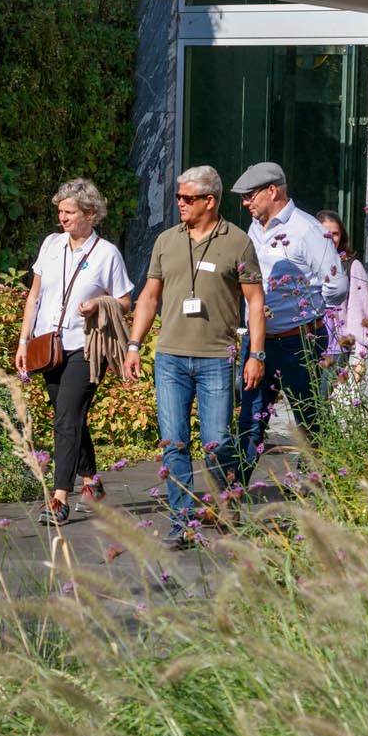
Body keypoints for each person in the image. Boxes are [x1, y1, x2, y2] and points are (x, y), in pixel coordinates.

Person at [125, 166, 266, 549]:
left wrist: (257, 354)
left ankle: (227, 504)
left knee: (217, 442)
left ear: (210, 200)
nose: (181, 204)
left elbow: (255, 303)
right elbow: (149, 297)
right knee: (174, 443)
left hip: (216, 359)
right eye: (178, 198)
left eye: (188, 199)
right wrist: (135, 344)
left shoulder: (237, 242)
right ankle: (182, 522)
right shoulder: (166, 241)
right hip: (170, 357)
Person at [15, 179, 135, 525]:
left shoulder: (106, 254)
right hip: (49, 346)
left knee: (65, 419)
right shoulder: (51, 245)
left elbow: (126, 301)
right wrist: (23, 341)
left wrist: (99, 303)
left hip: (85, 347)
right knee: (71, 419)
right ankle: (92, 484)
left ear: (91, 214)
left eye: (69, 212)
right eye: (60, 211)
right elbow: (34, 296)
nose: (62, 218)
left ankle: (58, 499)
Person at [231, 162, 346, 478]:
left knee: (310, 421)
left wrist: (313, 311)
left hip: (300, 340)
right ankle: (233, 494)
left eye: (250, 195)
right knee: (251, 419)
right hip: (259, 341)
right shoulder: (256, 228)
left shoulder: (307, 229)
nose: (245, 203)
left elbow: (337, 284)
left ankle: (318, 491)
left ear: (272, 191)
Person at [316, 208, 368, 380]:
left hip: (337, 348)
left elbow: (362, 312)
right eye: (325, 233)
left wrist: (360, 355)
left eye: (335, 234)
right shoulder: (304, 265)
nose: (330, 238)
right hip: (306, 345)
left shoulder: (351, 266)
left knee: (327, 401)